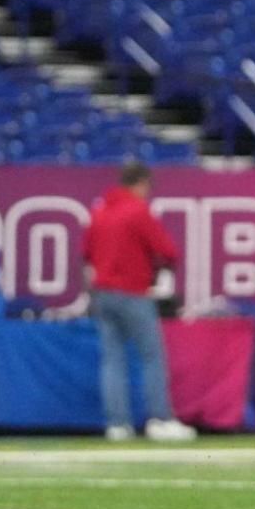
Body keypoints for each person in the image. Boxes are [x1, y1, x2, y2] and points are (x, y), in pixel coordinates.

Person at [81, 162, 196, 442]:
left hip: (102, 293)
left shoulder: (99, 211)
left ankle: (117, 425)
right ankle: (160, 419)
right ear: (141, 183)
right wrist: (156, 268)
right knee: (151, 357)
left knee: (112, 360)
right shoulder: (137, 211)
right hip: (132, 292)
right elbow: (168, 250)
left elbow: (86, 253)